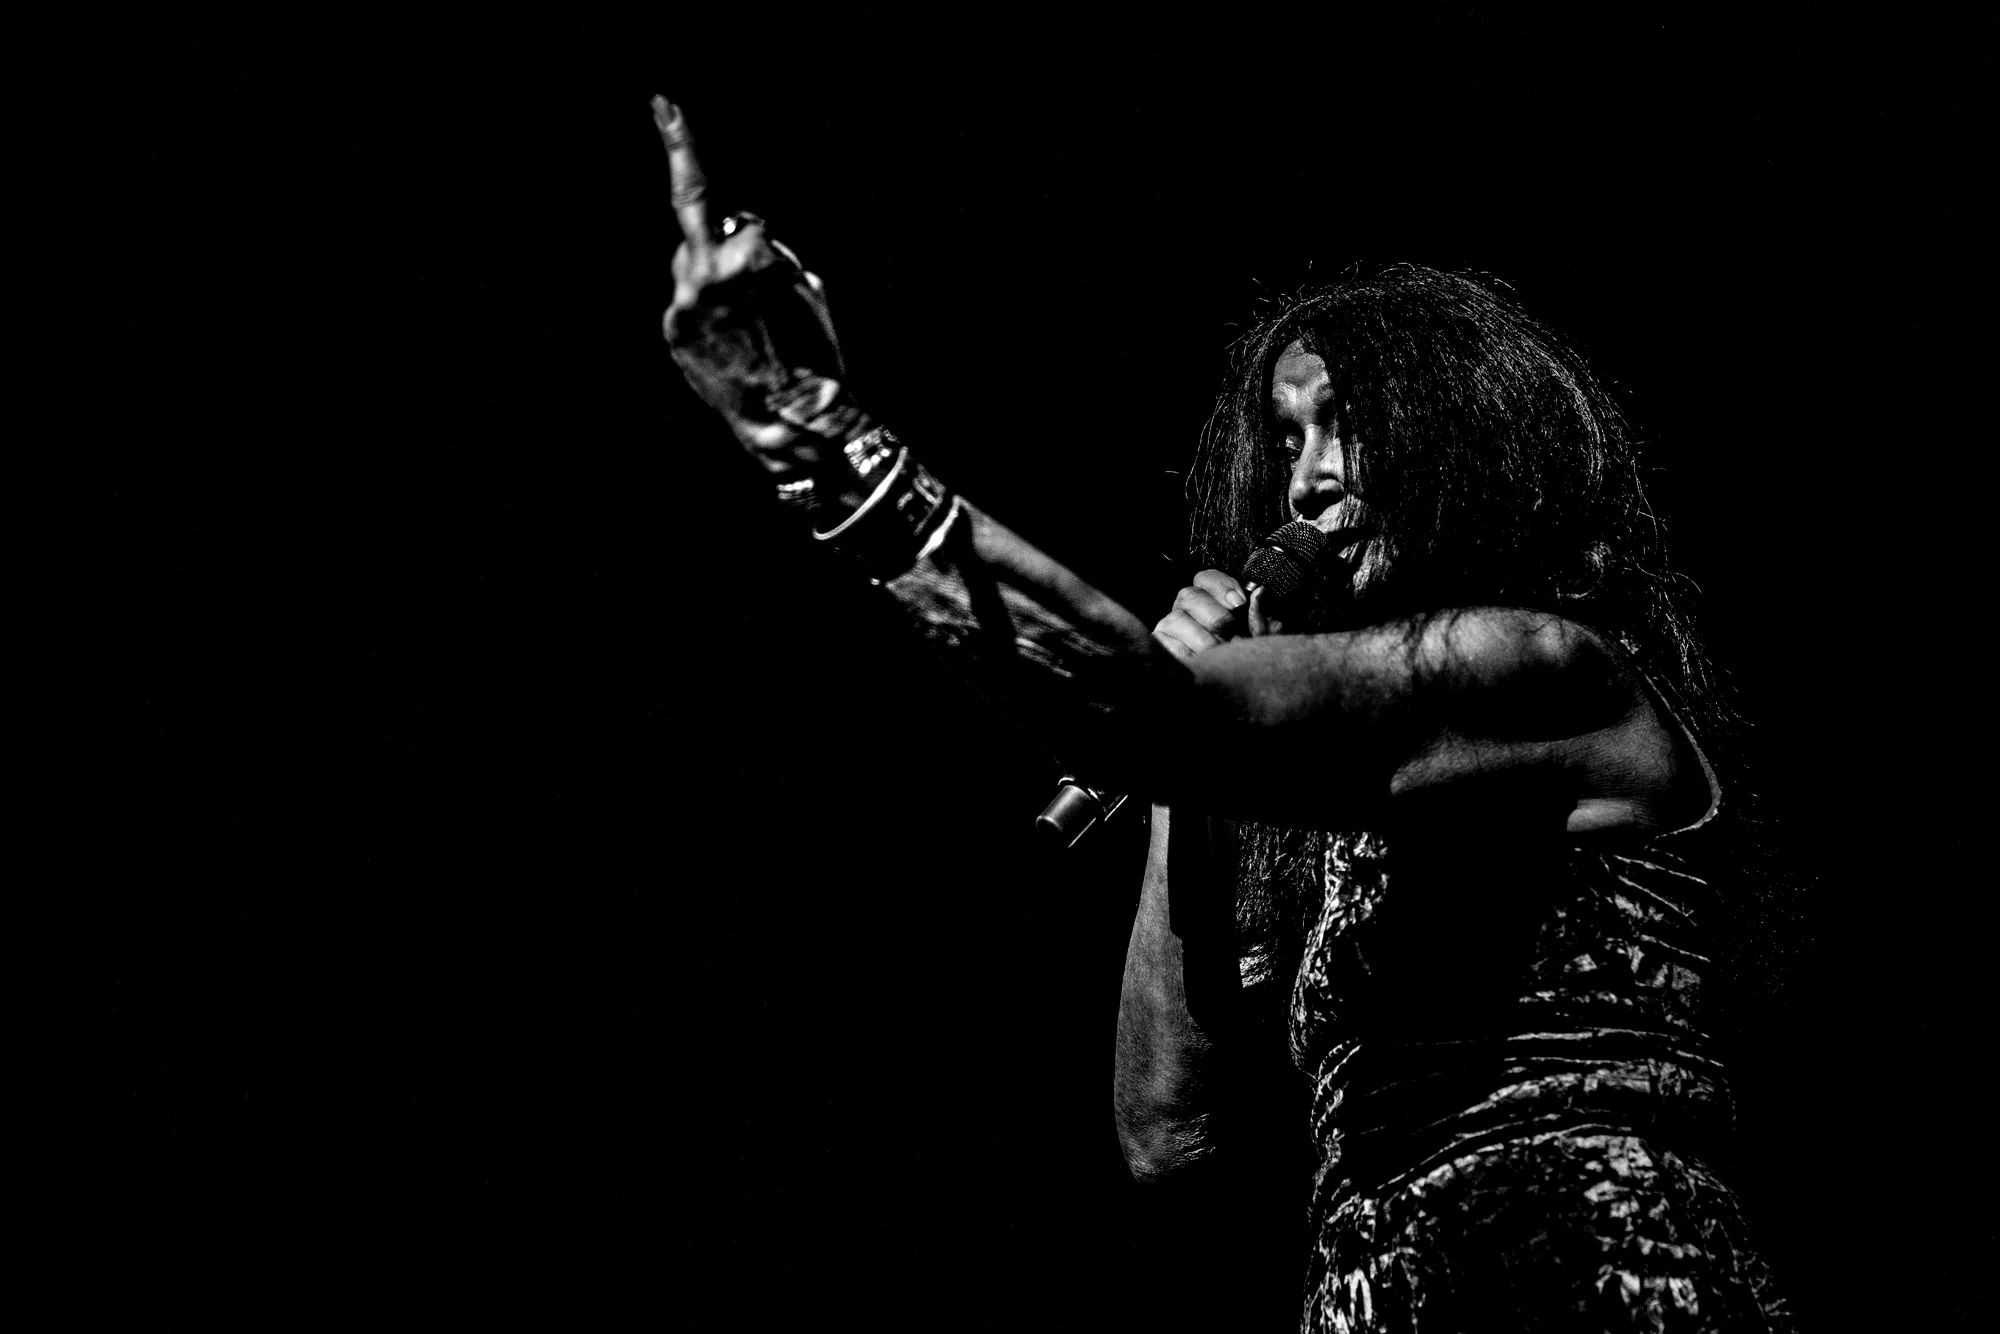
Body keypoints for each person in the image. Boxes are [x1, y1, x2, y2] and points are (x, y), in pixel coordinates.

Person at [654, 97, 1791, 1331]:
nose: (1304, 479)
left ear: (1463, 440)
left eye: (1344, 425)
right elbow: (1168, 1133)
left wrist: (818, 437)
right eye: (1284, 437)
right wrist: (1181, 781)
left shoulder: (1545, 668)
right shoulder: (1310, 806)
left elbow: (1159, 717)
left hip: (1587, 1272)